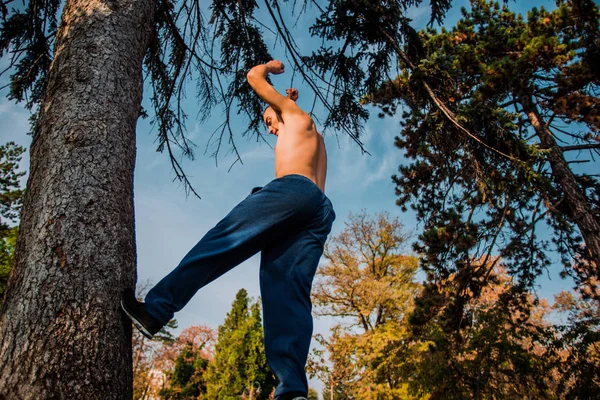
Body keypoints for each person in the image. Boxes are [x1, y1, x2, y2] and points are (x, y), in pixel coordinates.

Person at [121, 60, 335, 400]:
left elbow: (253, 76)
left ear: (284, 111)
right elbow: (289, 108)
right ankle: (292, 390)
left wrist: (270, 67)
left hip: (293, 192)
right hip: (320, 211)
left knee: (222, 242)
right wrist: (287, 100)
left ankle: (156, 309)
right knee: (287, 294)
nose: (269, 130)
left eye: (269, 121)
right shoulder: (313, 134)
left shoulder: (295, 117)